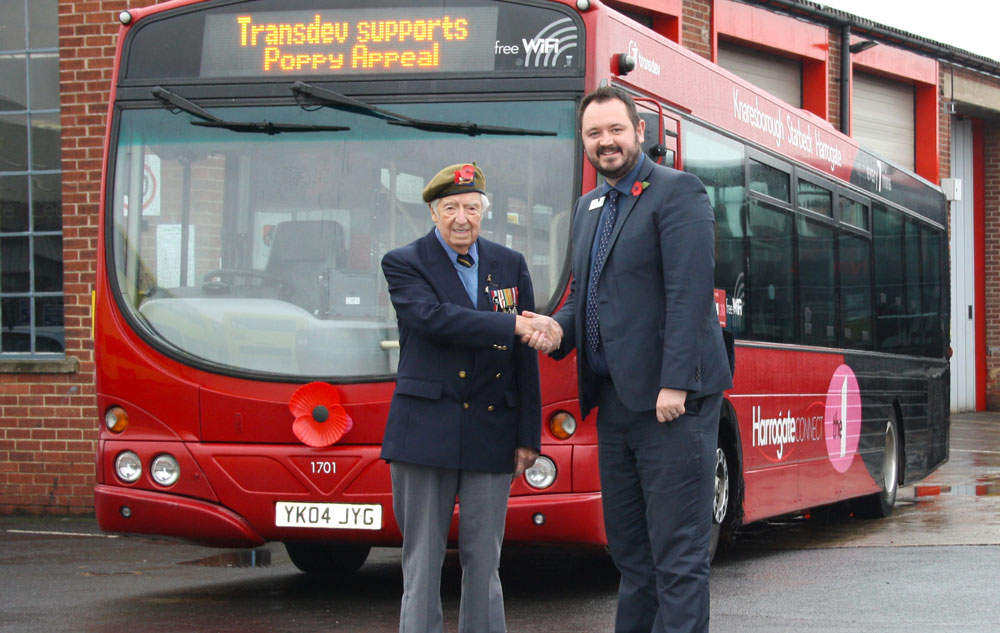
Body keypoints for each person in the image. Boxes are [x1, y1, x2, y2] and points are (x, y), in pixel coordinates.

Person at [524, 86, 733, 633]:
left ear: (640, 132)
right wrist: (556, 328)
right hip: (614, 401)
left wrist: (676, 384)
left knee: (678, 558)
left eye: (615, 130)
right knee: (631, 556)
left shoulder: (677, 192)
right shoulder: (589, 206)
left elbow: (691, 294)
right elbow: (584, 294)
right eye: (594, 134)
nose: (605, 142)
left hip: (672, 406)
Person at [380, 162, 551, 633]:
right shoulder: (404, 262)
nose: (462, 218)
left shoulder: (509, 265)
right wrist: (511, 323)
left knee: (484, 562)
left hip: (492, 431)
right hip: (424, 433)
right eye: (451, 208)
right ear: (434, 212)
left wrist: (527, 435)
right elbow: (434, 319)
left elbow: (524, 358)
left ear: (483, 212)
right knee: (422, 560)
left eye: (472, 208)